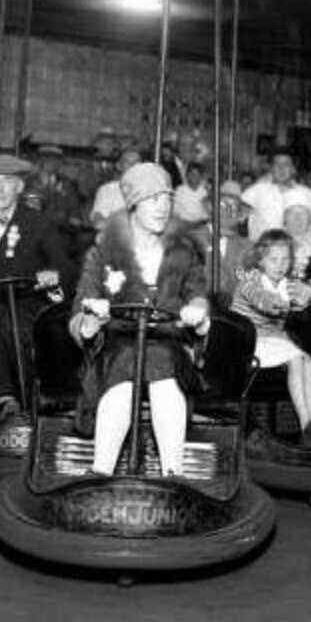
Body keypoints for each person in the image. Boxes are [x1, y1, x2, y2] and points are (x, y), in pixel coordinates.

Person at [69, 162, 210, 476]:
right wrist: (89, 320)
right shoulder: (103, 252)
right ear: (133, 203)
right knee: (124, 371)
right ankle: (102, 471)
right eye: (153, 200)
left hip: (168, 340)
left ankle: (171, 472)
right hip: (118, 343)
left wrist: (197, 313)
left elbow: (197, 293)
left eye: (167, 199)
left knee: (161, 366)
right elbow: (81, 304)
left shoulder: (183, 251)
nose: (162, 208)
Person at [0, 154, 74, 420]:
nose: (0, 189)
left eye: (7, 182)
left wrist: (51, 277)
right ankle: (6, 397)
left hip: (28, 300)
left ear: (19, 187)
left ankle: (31, 397)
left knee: (20, 326)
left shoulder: (38, 222)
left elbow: (65, 268)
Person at [231, 228, 311, 441]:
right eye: (274, 260)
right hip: (248, 340)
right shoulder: (250, 280)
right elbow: (259, 297)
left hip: (273, 341)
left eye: (285, 260)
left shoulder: (288, 284)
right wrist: (278, 304)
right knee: (295, 357)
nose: (280, 265)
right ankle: (306, 424)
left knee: (308, 362)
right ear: (261, 261)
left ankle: (309, 427)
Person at [240, 147, 311, 241]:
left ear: (293, 169)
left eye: (286, 164)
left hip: (294, 251)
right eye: (277, 164)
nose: (281, 168)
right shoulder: (258, 190)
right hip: (261, 249)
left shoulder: (305, 194)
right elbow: (237, 214)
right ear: (271, 168)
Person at [206, 181, 256, 310]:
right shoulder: (194, 239)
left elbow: (250, 288)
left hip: (234, 316)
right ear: (211, 207)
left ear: (240, 216)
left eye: (235, 207)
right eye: (222, 204)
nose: (229, 210)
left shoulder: (248, 248)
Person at [89, 147, 141, 230]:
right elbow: (98, 222)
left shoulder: (150, 190)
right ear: (119, 165)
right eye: (128, 162)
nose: (133, 166)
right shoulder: (107, 190)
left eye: (137, 162)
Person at [173, 161, 211, 227]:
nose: (194, 177)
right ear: (187, 175)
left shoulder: (203, 191)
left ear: (201, 176)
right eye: (192, 174)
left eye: (197, 174)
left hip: (201, 225)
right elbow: (176, 212)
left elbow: (208, 211)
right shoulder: (180, 190)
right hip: (184, 225)